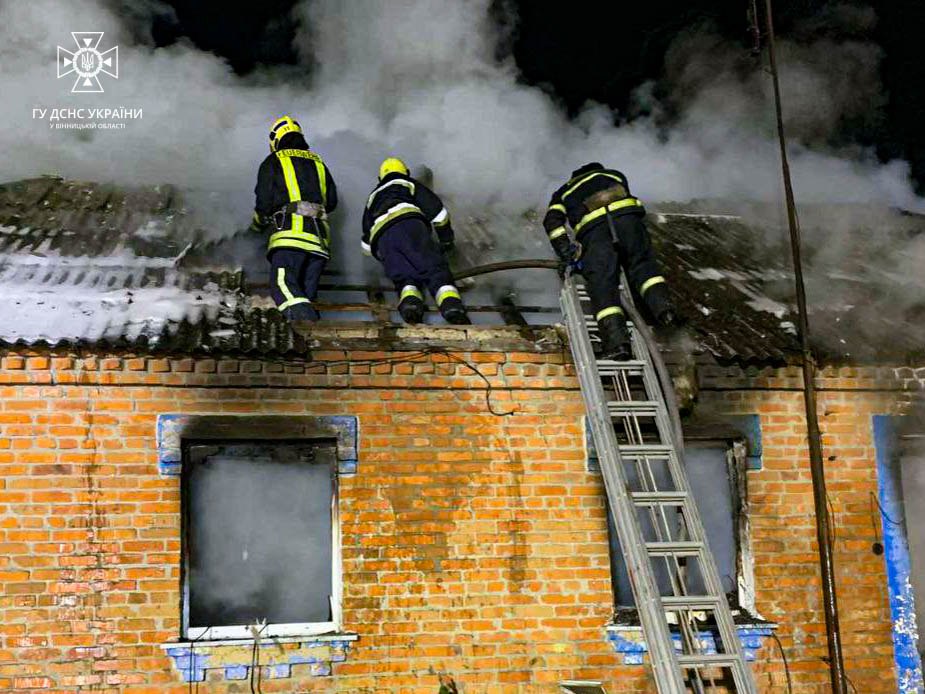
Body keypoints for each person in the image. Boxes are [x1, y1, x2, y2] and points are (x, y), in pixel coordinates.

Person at [543, 162, 676, 360]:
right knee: (643, 267)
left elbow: (552, 221)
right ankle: (665, 311)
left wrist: (566, 252)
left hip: (596, 233)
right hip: (629, 223)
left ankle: (618, 344)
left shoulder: (564, 191)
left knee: (602, 284)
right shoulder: (615, 175)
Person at [250, 115, 338, 335]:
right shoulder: (318, 162)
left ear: (275, 138)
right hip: (319, 244)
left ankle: (311, 330)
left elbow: (263, 202)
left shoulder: (274, 160)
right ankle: (310, 346)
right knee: (304, 296)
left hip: (290, 238)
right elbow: (332, 202)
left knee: (283, 286)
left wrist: (256, 227)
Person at [362, 157, 469, 325]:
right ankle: (451, 307)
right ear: (406, 172)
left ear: (380, 177)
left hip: (382, 239)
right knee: (434, 269)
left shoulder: (373, 197)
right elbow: (439, 214)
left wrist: (383, 258)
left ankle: (411, 306)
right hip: (409, 226)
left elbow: (366, 244)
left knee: (405, 278)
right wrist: (446, 240)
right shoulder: (408, 183)